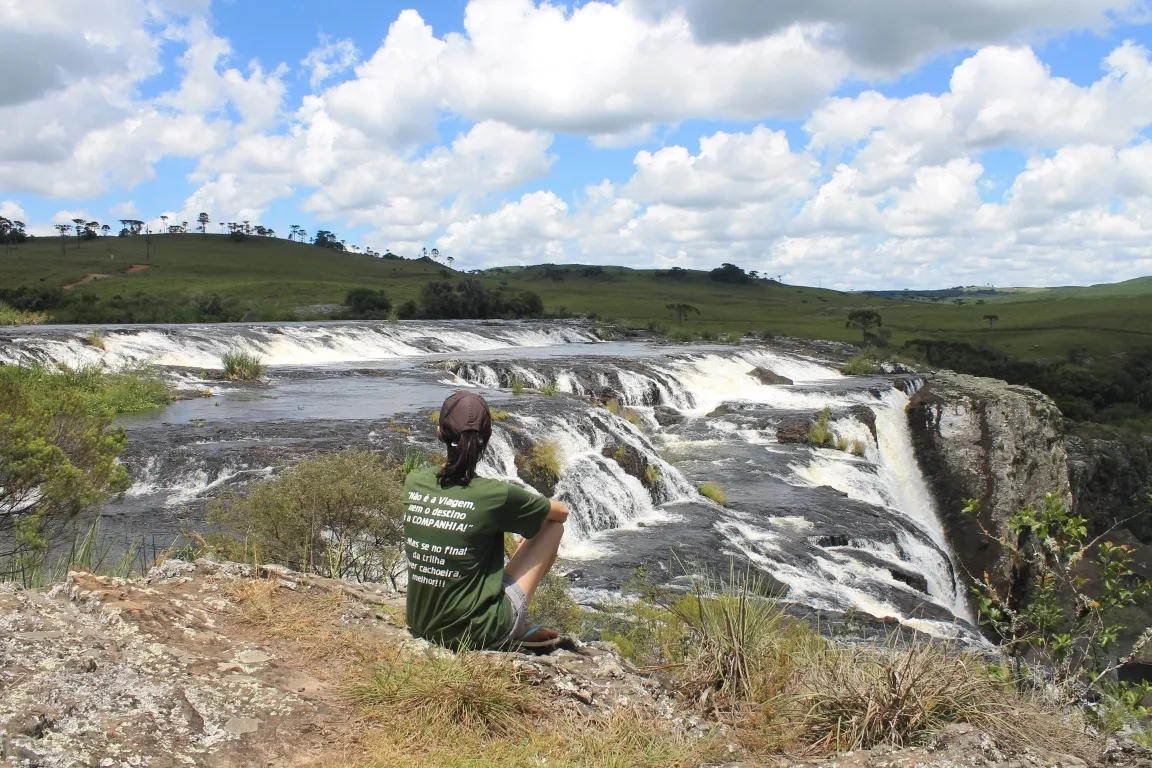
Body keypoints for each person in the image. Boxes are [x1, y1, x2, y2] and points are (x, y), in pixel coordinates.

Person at [403, 390, 569, 650]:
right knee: (553, 526)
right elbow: (561, 512)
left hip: (421, 622)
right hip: (477, 632)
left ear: (440, 432)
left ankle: (511, 622)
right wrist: (534, 523)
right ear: (488, 438)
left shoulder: (414, 480)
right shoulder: (496, 494)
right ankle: (514, 624)